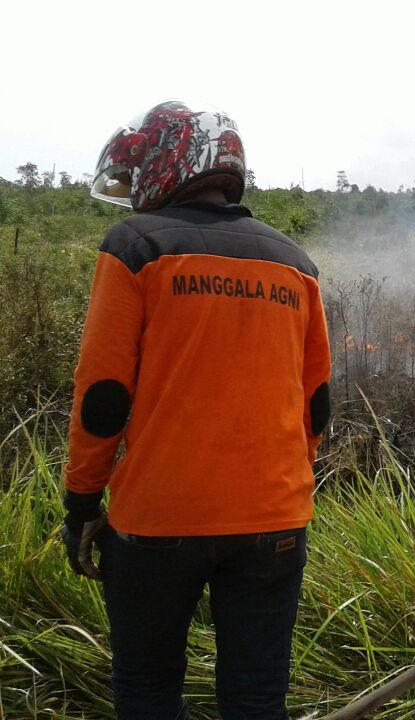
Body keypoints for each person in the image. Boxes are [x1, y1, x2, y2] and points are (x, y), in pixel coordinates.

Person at [60, 100, 331, 719]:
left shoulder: (135, 245)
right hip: (275, 521)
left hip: (158, 521)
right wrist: (276, 490)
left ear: (167, 162)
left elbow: (103, 395)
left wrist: (81, 501)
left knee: (149, 690)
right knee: (257, 699)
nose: (133, 196)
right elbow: (316, 405)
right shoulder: (296, 264)